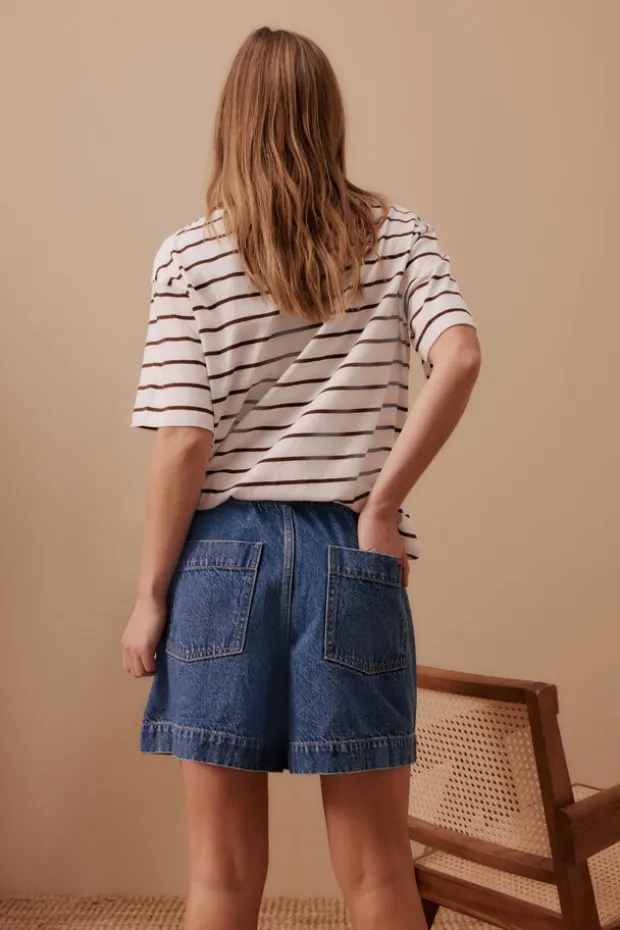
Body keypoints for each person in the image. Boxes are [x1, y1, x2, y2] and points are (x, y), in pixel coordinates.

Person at [121, 25, 481, 930]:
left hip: (220, 561)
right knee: (378, 872)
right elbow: (461, 356)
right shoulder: (401, 237)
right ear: (329, 118)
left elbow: (184, 440)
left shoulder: (188, 256)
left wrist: (150, 595)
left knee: (221, 876)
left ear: (232, 122)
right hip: (351, 557)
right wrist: (383, 505)